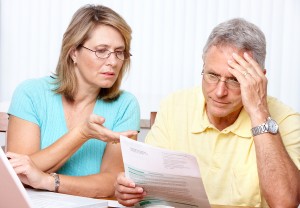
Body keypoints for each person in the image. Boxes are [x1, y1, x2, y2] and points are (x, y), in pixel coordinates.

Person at [114, 18, 300, 207]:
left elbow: (284, 203)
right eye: (212, 75)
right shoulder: (175, 106)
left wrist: (259, 112)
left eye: (235, 80)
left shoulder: (285, 119)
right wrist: (130, 190)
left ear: (258, 79)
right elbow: (148, 188)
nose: (219, 92)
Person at [6, 4, 140, 198]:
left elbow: (111, 181)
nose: (113, 61)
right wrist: (82, 133)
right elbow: (17, 173)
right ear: (73, 52)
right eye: (101, 50)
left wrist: (48, 181)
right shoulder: (30, 93)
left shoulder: (125, 105)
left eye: (119, 52)